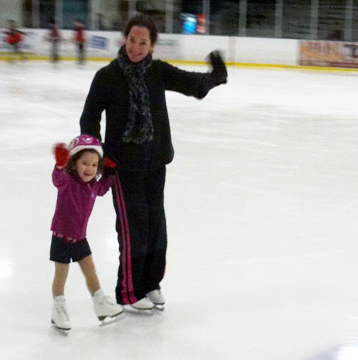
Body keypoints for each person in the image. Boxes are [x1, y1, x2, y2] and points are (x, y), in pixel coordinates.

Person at [79, 13, 227, 310]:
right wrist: (99, 158)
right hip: (121, 166)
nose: (135, 47)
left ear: (152, 45)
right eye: (132, 40)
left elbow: (190, 83)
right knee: (134, 228)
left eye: (142, 42)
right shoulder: (107, 76)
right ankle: (130, 292)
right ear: (125, 39)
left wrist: (215, 76)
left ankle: (152, 283)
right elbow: (89, 120)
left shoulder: (156, 72)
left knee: (156, 225)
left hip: (155, 162)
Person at [49, 134, 123, 331]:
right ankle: (58, 309)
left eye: (93, 165)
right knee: (60, 276)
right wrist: (59, 165)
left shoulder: (92, 186)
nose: (89, 169)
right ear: (73, 163)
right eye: (84, 163)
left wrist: (110, 173)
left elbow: (102, 189)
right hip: (61, 237)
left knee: (90, 271)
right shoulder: (67, 181)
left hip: (80, 238)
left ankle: (100, 304)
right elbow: (57, 179)